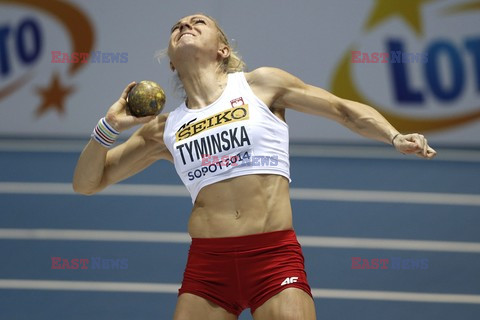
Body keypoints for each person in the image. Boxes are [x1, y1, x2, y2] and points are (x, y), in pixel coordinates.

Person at [73, 13, 437, 320]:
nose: (185, 25)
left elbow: (344, 110)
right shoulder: (163, 128)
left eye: (199, 22)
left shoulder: (261, 85)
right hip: (207, 268)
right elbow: (87, 183)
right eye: (177, 26)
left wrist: (393, 136)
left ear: (223, 49)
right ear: (171, 60)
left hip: (272, 257)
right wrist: (108, 128)